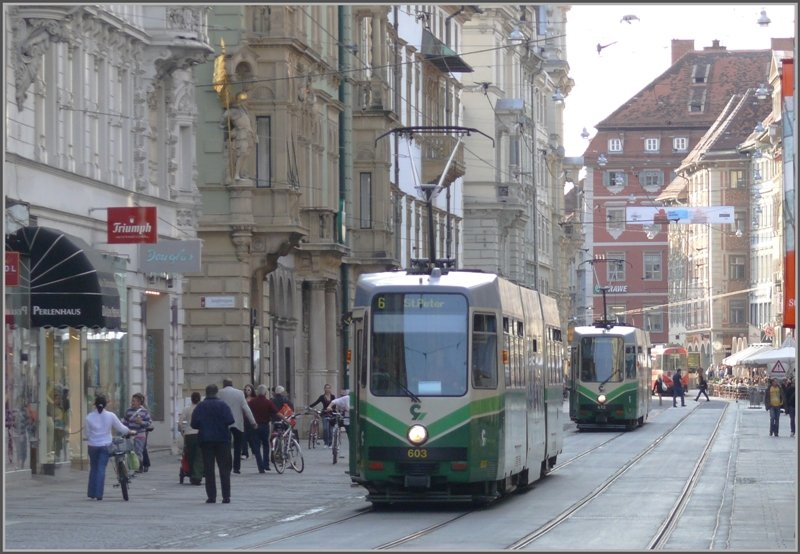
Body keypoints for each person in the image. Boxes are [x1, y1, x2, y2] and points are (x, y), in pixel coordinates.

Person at [191, 384, 235, 504]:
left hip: (206, 440)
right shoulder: (223, 405)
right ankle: (226, 496)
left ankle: (211, 496)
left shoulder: (200, 406)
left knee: (209, 469)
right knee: (224, 469)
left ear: (206, 392)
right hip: (222, 440)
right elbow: (230, 420)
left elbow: (194, 424)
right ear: (216, 393)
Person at [85, 395, 133, 501]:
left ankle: (92, 492)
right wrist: (130, 431)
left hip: (93, 445)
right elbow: (121, 428)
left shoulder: (89, 417)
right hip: (105, 445)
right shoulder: (110, 416)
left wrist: (94, 437)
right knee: (101, 468)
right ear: (106, 404)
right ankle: (99, 494)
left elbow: (87, 434)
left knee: (94, 468)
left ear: (94, 404)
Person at [217, 379, 257, 474]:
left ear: (223, 384)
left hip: (224, 423)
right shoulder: (239, 393)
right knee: (237, 446)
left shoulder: (219, 393)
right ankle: (236, 467)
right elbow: (246, 408)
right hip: (237, 422)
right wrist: (253, 422)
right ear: (232, 384)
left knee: (226, 445)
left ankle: (228, 466)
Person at [248, 384, 279, 472]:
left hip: (254, 426)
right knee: (266, 445)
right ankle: (266, 464)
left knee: (256, 447)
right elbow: (276, 412)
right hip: (265, 426)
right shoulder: (268, 402)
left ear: (257, 392)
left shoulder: (252, 402)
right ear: (265, 392)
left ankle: (260, 467)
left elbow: (247, 412)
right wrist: (285, 419)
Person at [123, 392, 152, 472]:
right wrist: (125, 427)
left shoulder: (144, 411)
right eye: (132, 401)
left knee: (138, 451)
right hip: (130, 434)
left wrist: (141, 422)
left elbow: (149, 422)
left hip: (140, 433)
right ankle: (134, 465)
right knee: (131, 451)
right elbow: (125, 420)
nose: (132, 403)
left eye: (134, 401)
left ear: (139, 402)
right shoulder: (128, 411)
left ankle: (140, 466)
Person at [179, 391, 204, 485]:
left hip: (189, 434)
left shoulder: (186, 409)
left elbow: (180, 423)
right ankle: (197, 475)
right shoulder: (202, 409)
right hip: (199, 433)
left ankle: (190, 471)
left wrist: (183, 432)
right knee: (199, 455)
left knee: (190, 454)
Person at [241, 384, 257, 458]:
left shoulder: (254, 399)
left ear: (252, 390)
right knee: (243, 436)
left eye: (249, 390)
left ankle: (254, 451)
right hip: (243, 419)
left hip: (251, 419)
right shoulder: (242, 399)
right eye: (246, 390)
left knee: (251, 437)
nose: (247, 391)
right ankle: (244, 453)